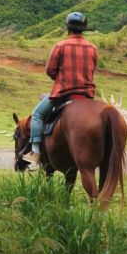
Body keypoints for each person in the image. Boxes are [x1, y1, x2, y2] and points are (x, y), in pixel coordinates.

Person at [22, 12, 98, 166]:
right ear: (84, 28)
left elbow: (50, 70)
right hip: (86, 96)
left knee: (37, 115)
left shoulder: (60, 46)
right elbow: (92, 69)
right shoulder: (92, 48)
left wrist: (61, 79)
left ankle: (35, 152)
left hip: (63, 95)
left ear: (68, 27)